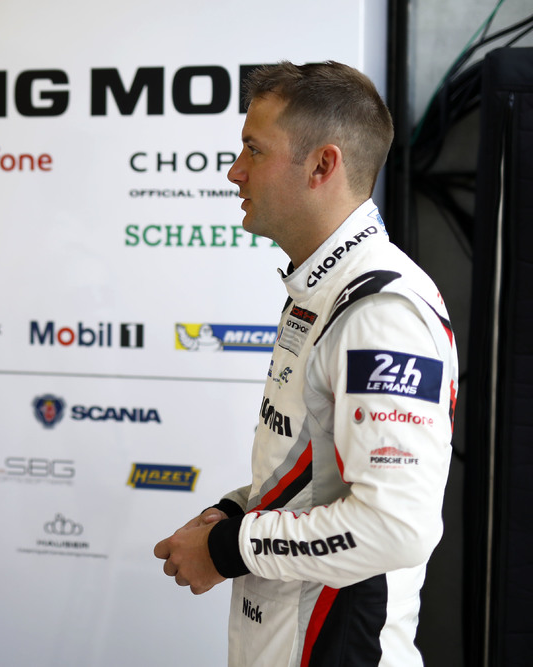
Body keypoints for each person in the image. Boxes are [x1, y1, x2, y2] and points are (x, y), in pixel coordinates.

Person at [154, 61, 457, 666]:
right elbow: (316, 474)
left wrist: (229, 547)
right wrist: (234, 511)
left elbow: (397, 526)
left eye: (254, 149)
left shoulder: (381, 309)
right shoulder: (323, 291)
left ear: (322, 165)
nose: (234, 170)